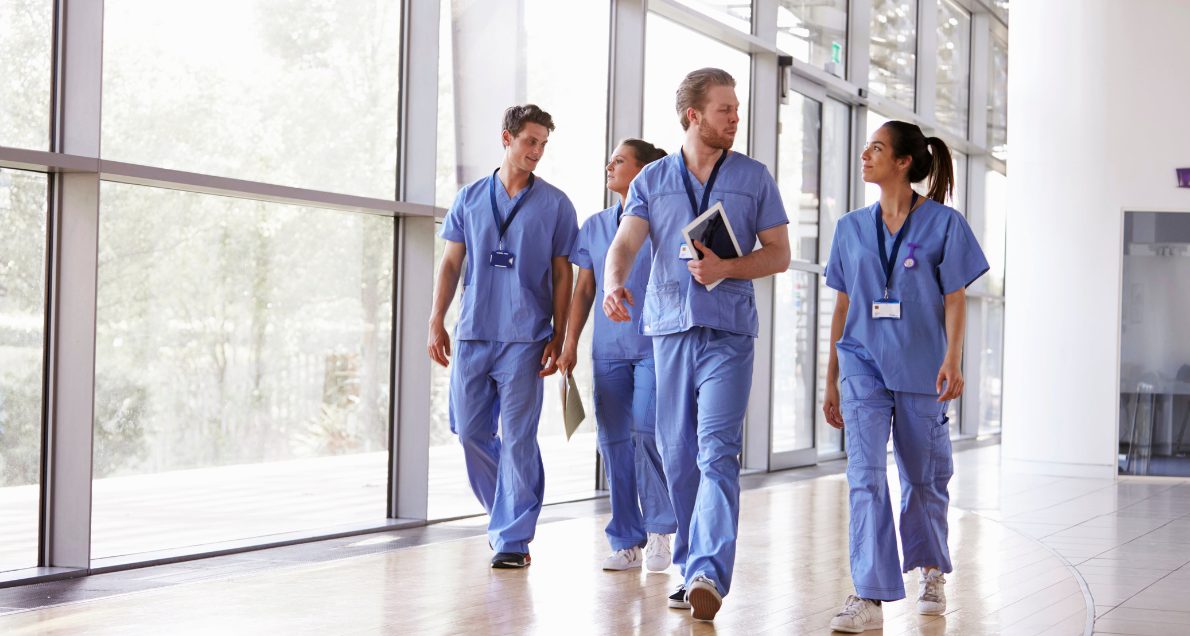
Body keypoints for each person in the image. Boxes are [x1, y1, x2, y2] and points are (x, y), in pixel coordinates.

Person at [601, 68, 790, 621]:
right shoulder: (652, 180)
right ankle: (689, 566)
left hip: (729, 333)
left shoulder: (754, 178)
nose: (736, 118)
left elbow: (777, 252)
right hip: (668, 331)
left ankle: (708, 568)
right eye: (725, 109)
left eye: (736, 109)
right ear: (694, 116)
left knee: (716, 451)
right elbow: (624, 244)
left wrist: (728, 267)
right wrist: (614, 284)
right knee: (679, 456)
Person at [822, 121, 988, 633]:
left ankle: (932, 569)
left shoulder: (945, 224)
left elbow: (956, 297)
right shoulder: (850, 227)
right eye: (867, 145)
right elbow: (843, 303)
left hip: (921, 366)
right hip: (862, 366)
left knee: (923, 477)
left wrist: (953, 359)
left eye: (877, 148)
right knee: (865, 477)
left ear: (903, 163)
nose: (865, 153)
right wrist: (831, 377)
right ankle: (869, 594)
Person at [428, 104, 578, 569]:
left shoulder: (556, 204)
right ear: (506, 139)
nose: (536, 151)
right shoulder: (470, 198)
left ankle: (513, 538)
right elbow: (452, 262)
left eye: (543, 144)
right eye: (530, 141)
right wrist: (436, 319)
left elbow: (562, 274)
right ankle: (505, 514)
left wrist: (559, 332)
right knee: (470, 431)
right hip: (474, 332)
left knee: (518, 438)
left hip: (526, 337)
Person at [557, 139, 676, 573]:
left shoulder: (664, 223)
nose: (609, 164)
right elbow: (584, 289)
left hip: (654, 346)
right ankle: (627, 539)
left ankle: (662, 528)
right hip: (607, 352)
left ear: (645, 172)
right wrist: (569, 343)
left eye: (620, 160)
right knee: (613, 444)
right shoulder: (594, 225)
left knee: (646, 432)